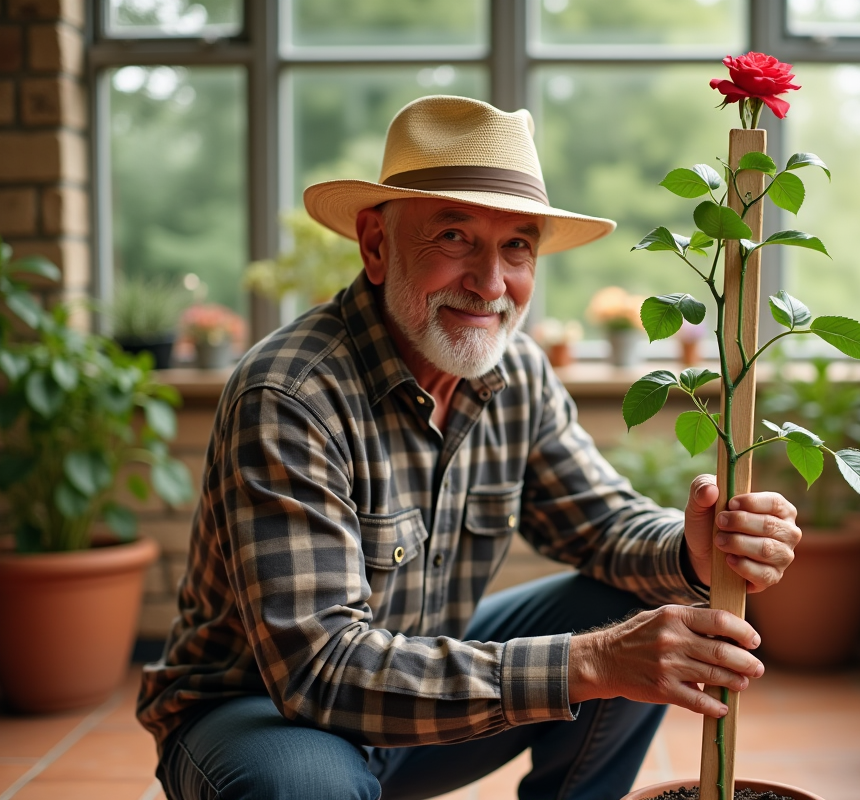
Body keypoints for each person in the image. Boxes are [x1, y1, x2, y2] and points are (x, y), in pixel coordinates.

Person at [138, 95, 801, 800]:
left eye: (516, 245)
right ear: (375, 244)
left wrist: (691, 550)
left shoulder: (515, 374)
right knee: (309, 789)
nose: (491, 285)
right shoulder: (290, 395)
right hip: (265, 717)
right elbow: (319, 672)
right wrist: (593, 661)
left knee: (636, 593)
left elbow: (603, 523)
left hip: (413, 706)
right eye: (454, 237)